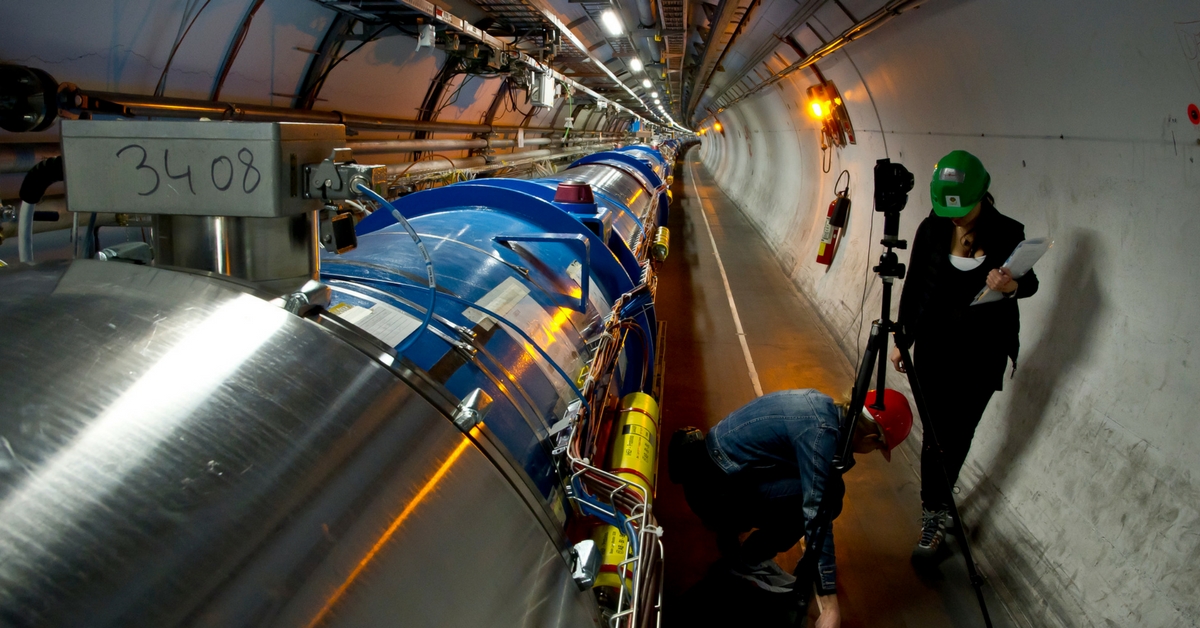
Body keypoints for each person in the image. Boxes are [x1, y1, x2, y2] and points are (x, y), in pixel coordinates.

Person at [889, 149, 1040, 563]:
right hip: (936, 348)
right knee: (936, 434)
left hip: (983, 351)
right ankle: (933, 512)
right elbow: (916, 285)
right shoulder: (932, 228)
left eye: (962, 208)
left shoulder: (1008, 232)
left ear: (982, 195)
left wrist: (1009, 286)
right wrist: (903, 338)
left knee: (961, 431)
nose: (954, 217)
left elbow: (1030, 285)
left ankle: (938, 501)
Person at [668, 388, 913, 628]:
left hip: (710, 473)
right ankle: (748, 560)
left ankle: (735, 544)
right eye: (878, 448)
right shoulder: (821, 434)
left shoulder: (820, 405)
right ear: (872, 439)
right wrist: (830, 607)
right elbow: (817, 513)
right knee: (831, 494)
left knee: (824, 483)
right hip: (714, 495)